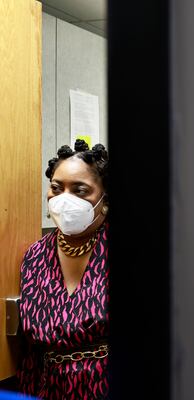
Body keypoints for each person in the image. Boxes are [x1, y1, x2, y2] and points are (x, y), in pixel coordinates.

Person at [17, 139, 110, 399]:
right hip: (45, 388)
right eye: (56, 188)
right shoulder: (34, 257)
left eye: (79, 191)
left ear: (104, 198)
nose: (63, 199)